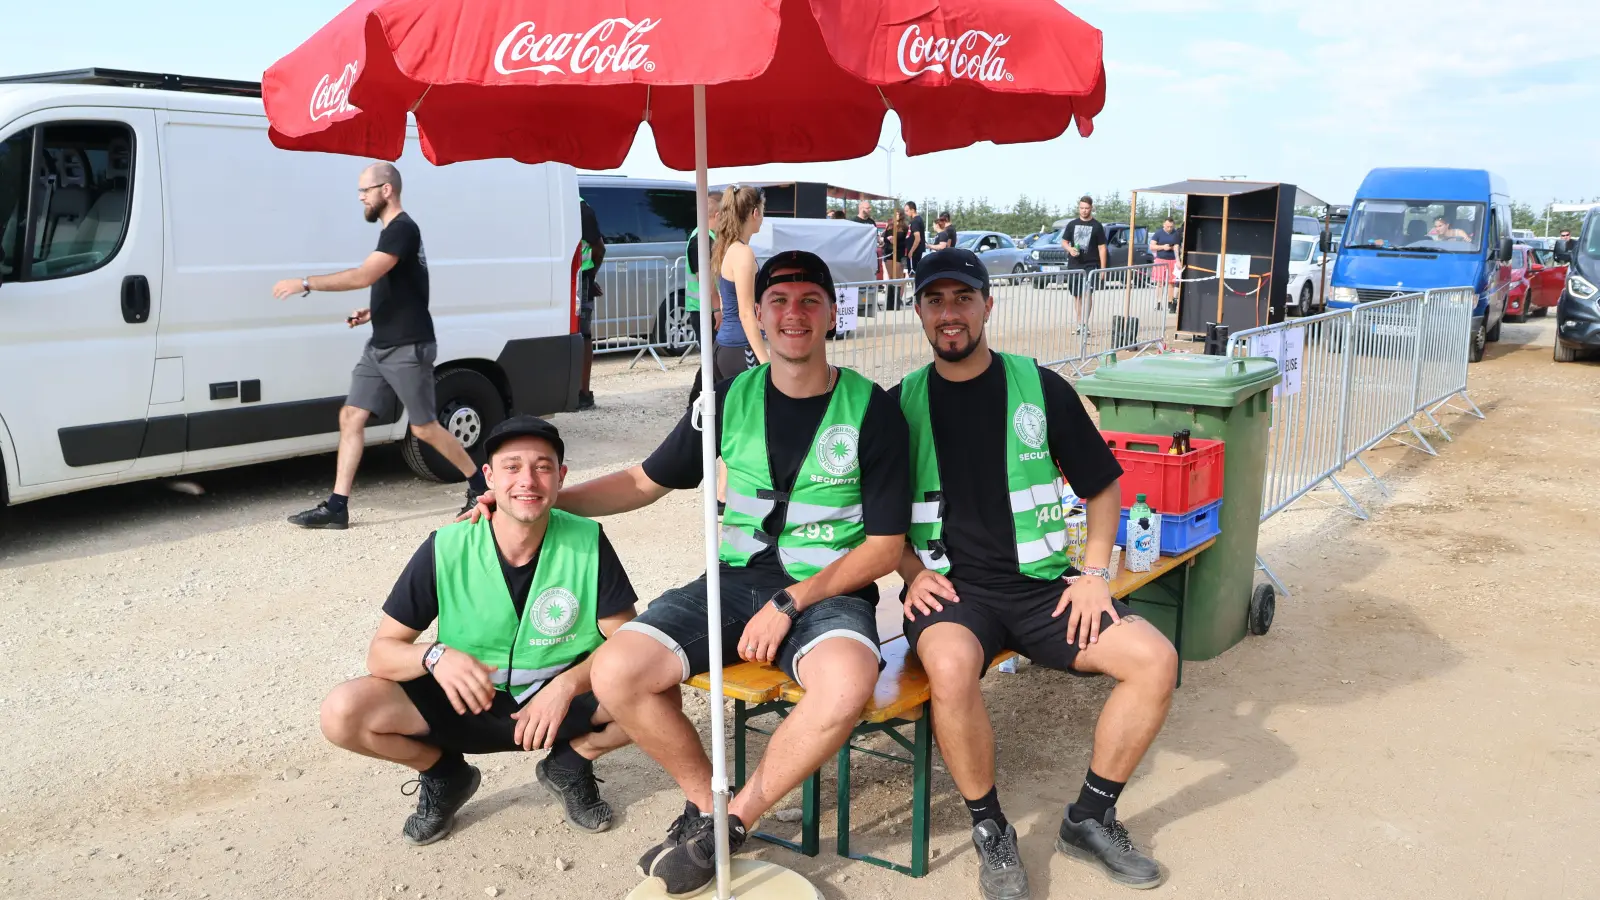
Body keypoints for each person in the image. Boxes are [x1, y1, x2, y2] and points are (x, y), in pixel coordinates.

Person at [536, 251, 910, 897]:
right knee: (617, 669)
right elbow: (644, 481)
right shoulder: (726, 397)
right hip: (734, 583)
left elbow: (883, 547)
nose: (794, 314)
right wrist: (547, 501)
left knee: (847, 684)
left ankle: (729, 825)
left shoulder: (871, 408)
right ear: (758, 313)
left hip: (827, 590)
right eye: (779, 301)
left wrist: (791, 602)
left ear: (831, 313)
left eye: (810, 301)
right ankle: (701, 803)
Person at [894, 248, 1179, 897]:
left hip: (1043, 589)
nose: (949, 313)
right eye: (935, 300)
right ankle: (991, 828)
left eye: (963, 298)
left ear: (988, 305)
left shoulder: (1039, 387)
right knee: (950, 669)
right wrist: (910, 570)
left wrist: (1095, 574)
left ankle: (1090, 819)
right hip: (953, 593)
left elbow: (1101, 487)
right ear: (919, 311)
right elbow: (876, 517)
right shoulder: (901, 404)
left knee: (1155, 661)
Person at [318, 416, 639, 845]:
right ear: (488, 476)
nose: (528, 480)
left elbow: (629, 645)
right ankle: (445, 774)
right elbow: (382, 653)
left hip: (557, 707)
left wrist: (566, 686)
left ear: (561, 477)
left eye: (543, 467)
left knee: (654, 689)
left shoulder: (588, 540)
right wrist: (434, 656)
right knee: (342, 712)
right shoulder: (447, 546)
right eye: (512, 467)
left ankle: (570, 764)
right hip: (467, 702)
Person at [274, 162, 486, 529]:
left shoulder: (402, 229)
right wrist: (373, 312)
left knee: (423, 428)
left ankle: (479, 486)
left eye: (365, 190)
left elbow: (364, 275)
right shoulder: (393, 232)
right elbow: (408, 286)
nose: (360, 197)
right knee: (351, 416)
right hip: (380, 345)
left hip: (408, 346)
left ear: (386, 190)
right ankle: (337, 507)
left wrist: (306, 283)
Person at [712, 185, 770, 385]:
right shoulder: (743, 253)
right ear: (755, 213)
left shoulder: (728, 248)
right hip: (740, 348)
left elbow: (725, 302)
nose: (763, 218)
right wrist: (765, 362)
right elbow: (745, 313)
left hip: (727, 346)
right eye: (763, 211)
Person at [577, 198, 607, 411]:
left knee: (583, 335)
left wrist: (590, 276)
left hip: (580, 279)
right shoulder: (577, 206)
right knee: (581, 335)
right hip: (577, 277)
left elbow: (599, 248)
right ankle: (580, 392)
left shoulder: (581, 209)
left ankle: (583, 392)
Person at [1061, 195, 1107, 321]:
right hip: (1074, 264)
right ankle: (1079, 323)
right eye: (1082, 208)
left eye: (1086, 208)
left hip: (1091, 265)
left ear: (1091, 208)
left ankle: (1085, 323)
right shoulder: (1072, 224)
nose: (1084, 211)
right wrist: (1070, 249)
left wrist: (1103, 269)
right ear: (1079, 208)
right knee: (1077, 295)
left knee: (1087, 294)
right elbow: (1064, 242)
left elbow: (1102, 248)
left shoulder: (1097, 226)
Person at [686, 190, 723, 342]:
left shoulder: (706, 237)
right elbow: (706, 280)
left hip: (706, 308)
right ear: (718, 215)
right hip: (706, 310)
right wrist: (717, 308)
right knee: (712, 354)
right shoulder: (702, 240)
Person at [1149, 217, 1181, 311]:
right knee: (1160, 282)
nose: (1169, 228)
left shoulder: (1176, 233)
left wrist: (1178, 260)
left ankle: (1170, 303)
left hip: (1172, 260)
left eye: (1171, 227)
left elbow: (1177, 247)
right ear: (1164, 225)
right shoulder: (1158, 233)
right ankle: (1159, 302)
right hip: (1161, 260)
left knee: (1171, 282)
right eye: (1168, 226)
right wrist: (1163, 247)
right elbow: (1152, 246)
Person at [905, 201, 927, 274]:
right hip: (915, 251)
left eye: (907, 211)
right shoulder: (917, 219)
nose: (906, 213)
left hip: (915, 252)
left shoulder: (915, 221)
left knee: (913, 272)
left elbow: (917, 238)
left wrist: (911, 251)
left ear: (912, 210)